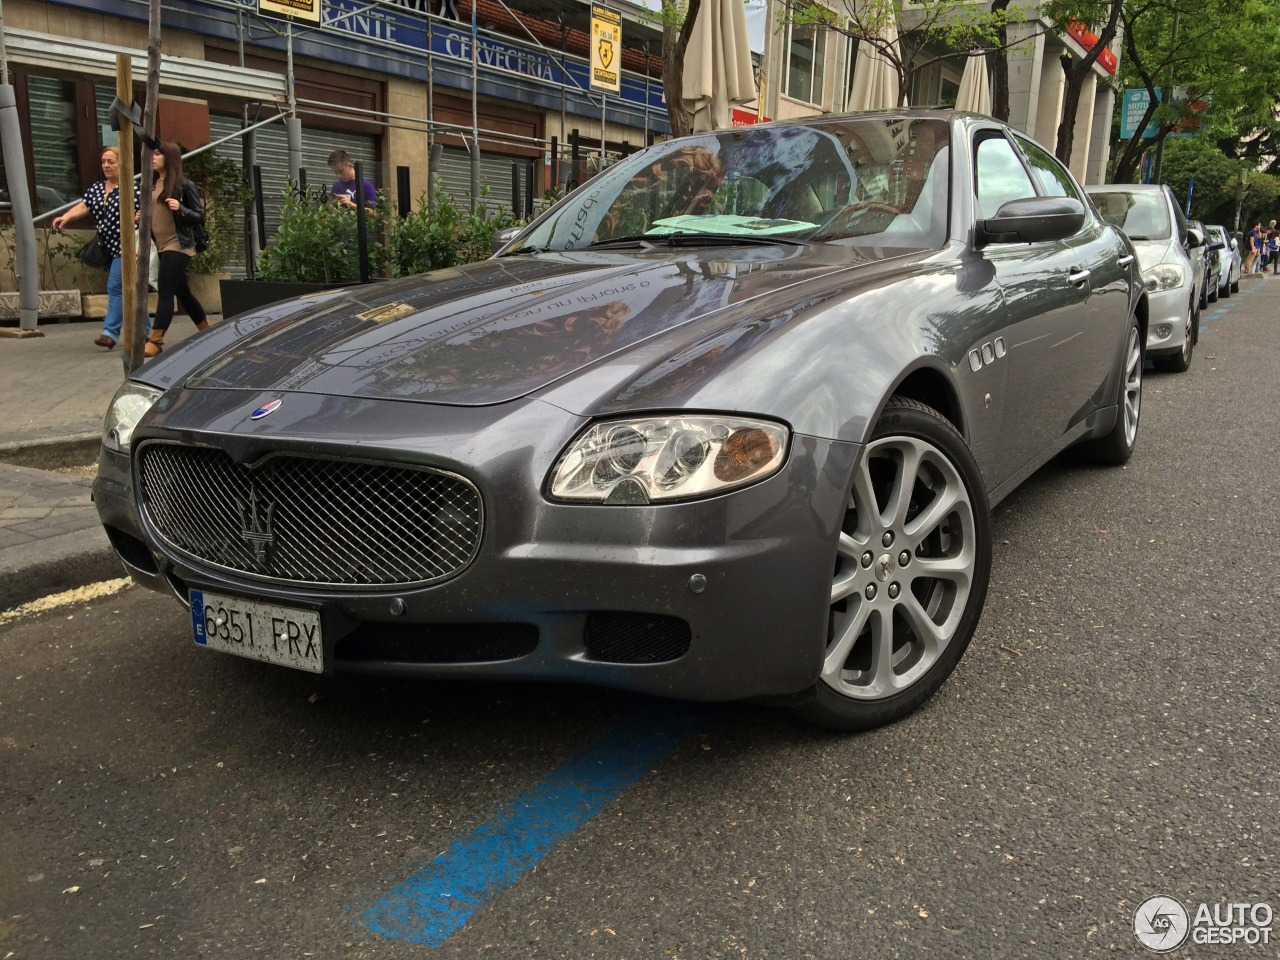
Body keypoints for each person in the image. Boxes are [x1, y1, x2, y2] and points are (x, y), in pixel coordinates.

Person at [51, 146, 146, 349]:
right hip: (107, 248)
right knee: (132, 291)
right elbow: (84, 206)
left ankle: (110, 333)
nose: (106, 166)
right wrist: (65, 217)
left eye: (111, 162)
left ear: (123, 163)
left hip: (128, 246)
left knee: (115, 286)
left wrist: (142, 216)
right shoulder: (97, 188)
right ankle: (146, 332)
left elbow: (152, 208)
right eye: (103, 162)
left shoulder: (135, 188)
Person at [144, 141, 208, 357]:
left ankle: (156, 340)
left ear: (169, 159)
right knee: (184, 294)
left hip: (179, 245)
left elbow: (199, 216)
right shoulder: (153, 185)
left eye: (157, 155)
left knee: (165, 290)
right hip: (161, 246)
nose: (153, 158)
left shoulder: (184, 185)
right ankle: (207, 330)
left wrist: (180, 208)